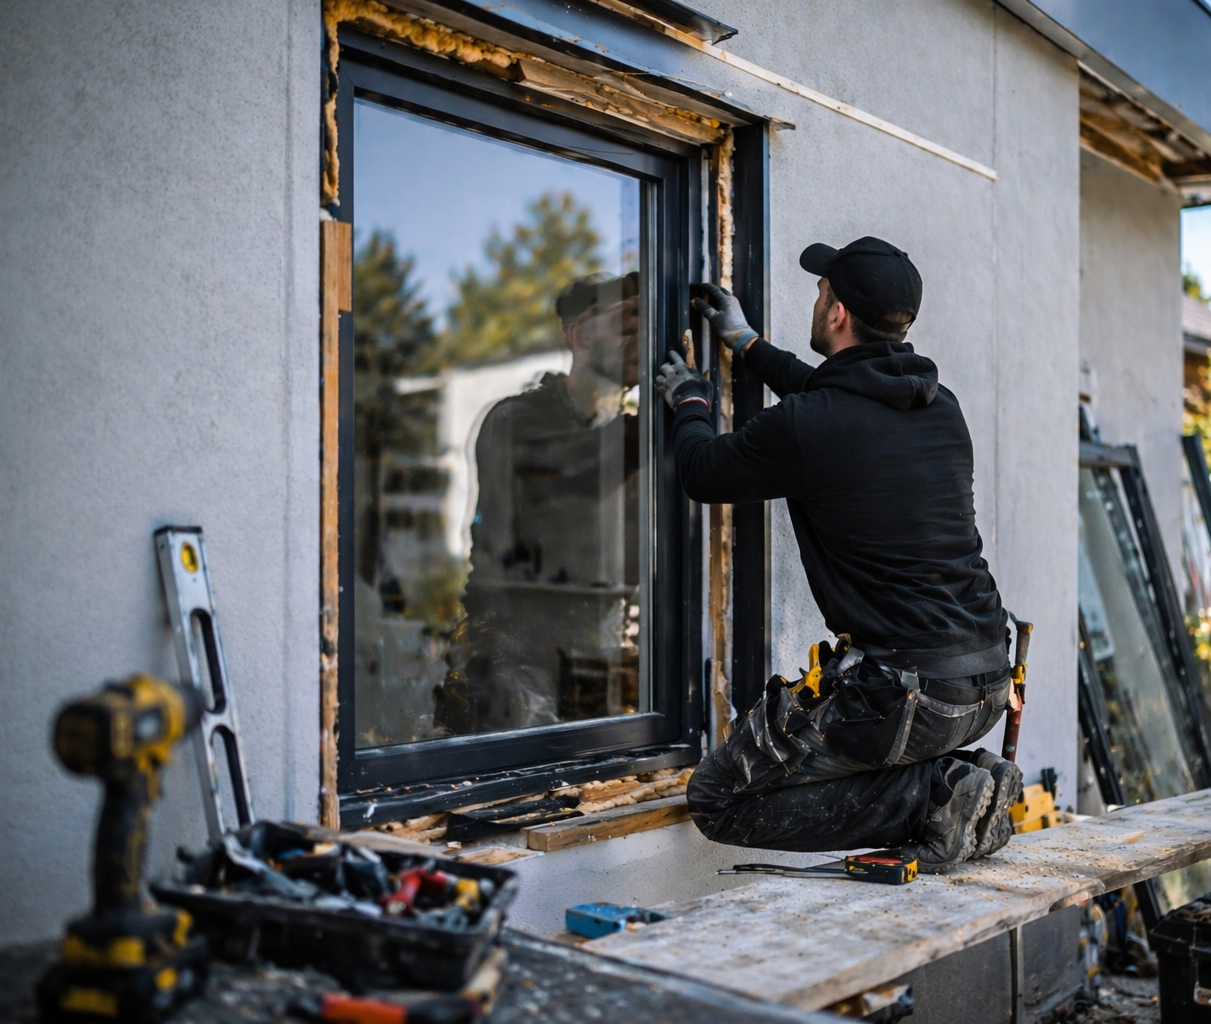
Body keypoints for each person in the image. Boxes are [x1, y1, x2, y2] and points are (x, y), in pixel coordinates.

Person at [653, 238, 1021, 871]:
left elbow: (705, 472)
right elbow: (830, 397)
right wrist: (747, 344)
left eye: (821, 291)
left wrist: (690, 402)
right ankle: (963, 779)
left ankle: (935, 798)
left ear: (838, 313)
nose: (816, 299)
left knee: (718, 798)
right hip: (986, 682)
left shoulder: (813, 423)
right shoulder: (939, 406)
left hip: (905, 696)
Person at [435, 272, 643, 736]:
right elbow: (577, 465)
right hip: (515, 655)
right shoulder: (516, 420)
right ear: (579, 335)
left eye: (644, 322)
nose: (638, 334)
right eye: (624, 320)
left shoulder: (636, 436)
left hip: (598, 656)